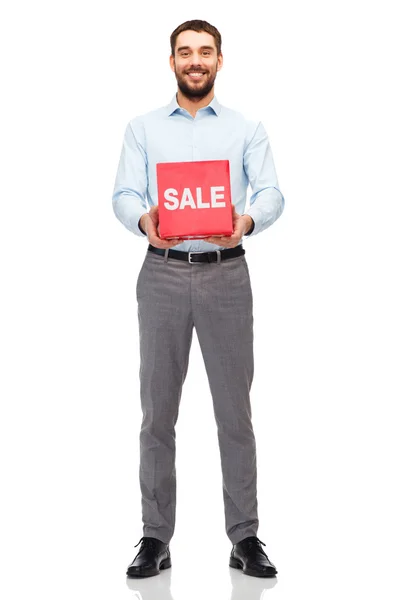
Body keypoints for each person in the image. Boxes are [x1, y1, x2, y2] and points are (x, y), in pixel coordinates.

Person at [112, 19, 284, 579]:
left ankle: (246, 536)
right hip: (161, 274)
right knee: (157, 413)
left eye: (204, 52)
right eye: (185, 52)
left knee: (235, 413)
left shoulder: (245, 128)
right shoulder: (141, 129)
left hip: (226, 275)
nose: (195, 60)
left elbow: (272, 192)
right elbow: (124, 192)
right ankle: (154, 536)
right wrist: (143, 218)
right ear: (171, 61)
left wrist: (247, 219)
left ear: (219, 60)